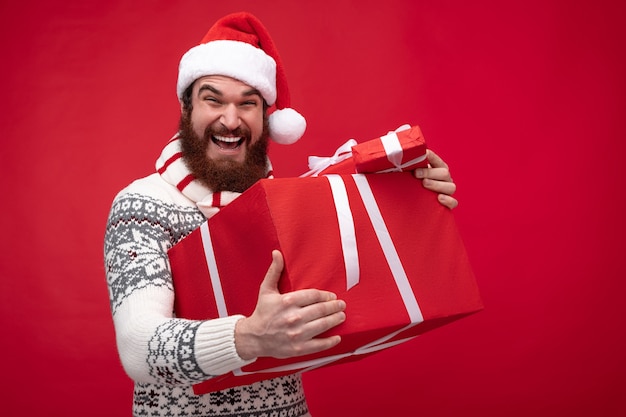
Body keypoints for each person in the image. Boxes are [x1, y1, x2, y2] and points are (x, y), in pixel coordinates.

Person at [104, 11, 458, 417]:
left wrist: (412, 197)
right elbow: (138, 345)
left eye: (247, 104)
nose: (231, 119)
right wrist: (249, 338)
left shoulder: (283, 207)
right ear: (187, 108)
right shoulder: (143, 205)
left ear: (266, 120)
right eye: (213, 99)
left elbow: (366, 278)